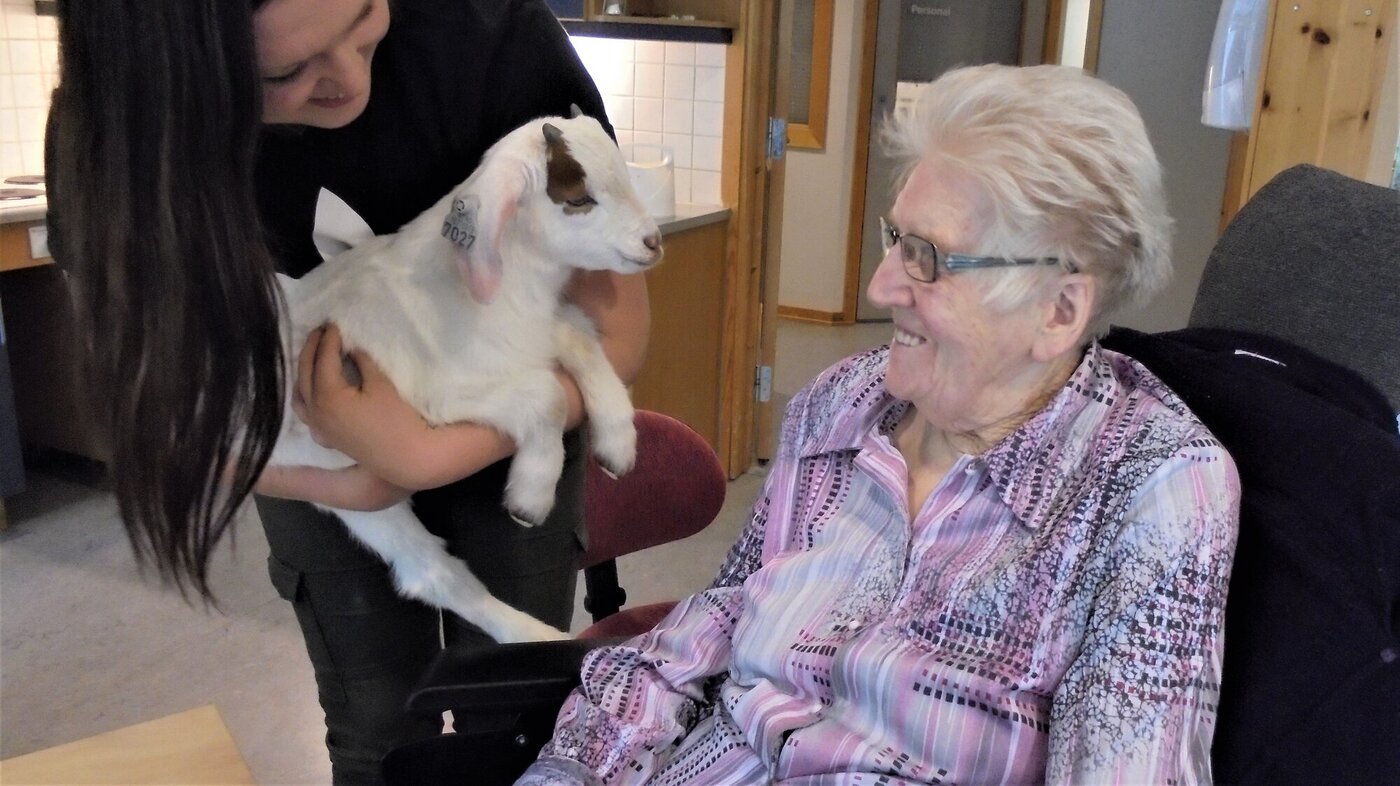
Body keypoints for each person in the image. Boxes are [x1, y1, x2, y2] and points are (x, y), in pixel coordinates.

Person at [518, 64, 1241, 785]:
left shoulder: (1150, 485)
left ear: (1059, 311)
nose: (879, 284)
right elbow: (720, 616)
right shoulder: (845, 402)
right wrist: (569, 770)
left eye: (926, 257)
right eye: (895, 236)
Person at [45, 0, 648, 783]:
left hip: (507, 425)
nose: (347, 77)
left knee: (513, 710)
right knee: (375, 720)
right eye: (287, 72)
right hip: (293, 442)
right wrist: (346, 482)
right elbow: (153, 400)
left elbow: (616, 322)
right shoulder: (116, 125)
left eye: (365, 15)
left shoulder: (489, 35)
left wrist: (419, 455)